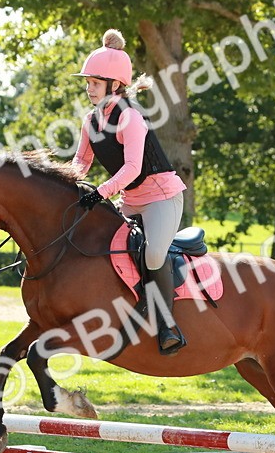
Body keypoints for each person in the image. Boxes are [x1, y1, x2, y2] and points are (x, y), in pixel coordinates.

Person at [71, 29, 189, 355]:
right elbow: (81, 161)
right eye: (88, 82)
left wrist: (100, 193)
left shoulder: (131, 117)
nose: (88, 88)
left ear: (115, 85)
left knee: (152, 254)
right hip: (130, 200)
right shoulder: (89, 121)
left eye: (95, 82)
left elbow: (133, 169)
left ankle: (168, 326)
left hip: (161, 197)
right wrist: (68, 184)